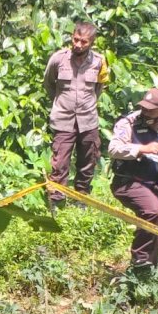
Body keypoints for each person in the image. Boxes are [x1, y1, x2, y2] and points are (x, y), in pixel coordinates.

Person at [108, 88, 158, 268]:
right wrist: (141, 149)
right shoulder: (128, 123)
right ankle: (141, 259)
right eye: (144, 107)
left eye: (151, 109)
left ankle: (149, 267)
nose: (145, 111)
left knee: (155, 219)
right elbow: (113, 149)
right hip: (128, 181)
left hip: (155, 184)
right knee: (153, 211)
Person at [43, 21, 109, 208]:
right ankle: (56, 201)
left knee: (88, 161)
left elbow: (99, 87)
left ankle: (81, 199)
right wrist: (61, 102)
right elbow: (48, 83)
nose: (78, 45)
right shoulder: (58, 59)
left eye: (84, 42)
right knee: (60, 163)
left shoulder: (99, 61)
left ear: (92, 42)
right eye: (76, 39)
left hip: (88, 120)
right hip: (63, 120)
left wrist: (88, 104)